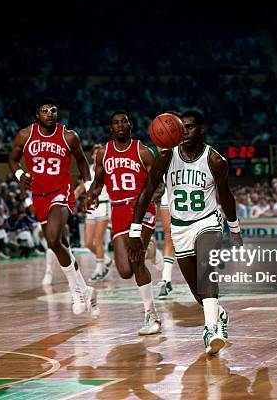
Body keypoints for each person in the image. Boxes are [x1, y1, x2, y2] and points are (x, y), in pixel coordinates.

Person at [129, 110, 243, 354]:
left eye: (189, 127)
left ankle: (210, 329)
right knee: (197, 292)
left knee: (206, 271)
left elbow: (226, 197)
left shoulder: (215, 161)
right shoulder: (166, 157)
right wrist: (134, 230)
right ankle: (219, 314)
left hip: (207, 222)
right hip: (180, 228)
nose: (184, 132)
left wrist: (234, 228)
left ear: (202, 130)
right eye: (182, 127)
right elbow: (147, 191)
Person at [9, 98, 99, 317]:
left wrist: (88, 188)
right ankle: (86, 289)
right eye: (44, 110)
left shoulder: (69, 136)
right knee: (61, 245)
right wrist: (20, 174)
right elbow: (12, 159)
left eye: (53, 110)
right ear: (37, 115)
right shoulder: (25, 135)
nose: (50, 113)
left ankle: (75, 292)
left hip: (61, 191)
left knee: (51, 240)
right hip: (39, 195)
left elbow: (81, 163)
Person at [83, 110, 161, 335]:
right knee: (125, 271)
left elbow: (159, 184)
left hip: (140, 209)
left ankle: (151, 316)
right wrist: (91, 195)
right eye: (115, 123)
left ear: (130, 125)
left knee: (136, 262)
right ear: (111, 128)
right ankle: (150, 250)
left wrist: (148, 202)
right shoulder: (103, 153)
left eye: (124, 122)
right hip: (117, 210)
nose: (120, 125)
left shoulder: (143, 151)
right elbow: (98, 183)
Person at [77, 144, 112, 281]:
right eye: (95, 153)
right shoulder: (89, 170)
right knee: (87, 243)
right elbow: (81, 187)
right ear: (92, 156)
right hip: (91, 208)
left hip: (103, 205)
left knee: (98, 241)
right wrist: (73, 196)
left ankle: (100, 270)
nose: (98, 156)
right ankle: (106, 259)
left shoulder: (108, 170)